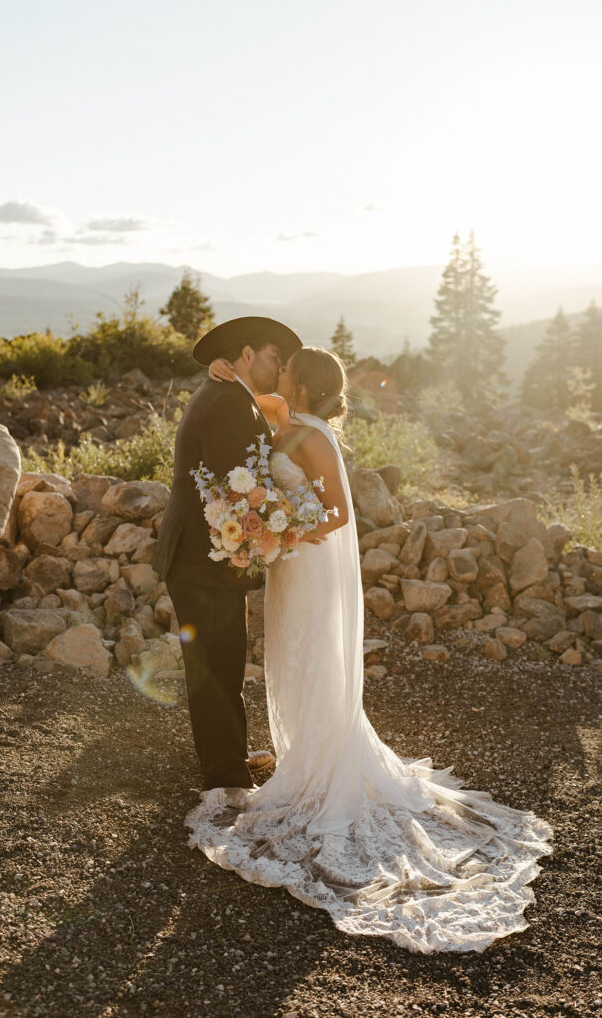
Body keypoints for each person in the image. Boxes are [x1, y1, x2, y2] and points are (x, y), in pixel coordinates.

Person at [184, 345, 553, 954]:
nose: (280, 374)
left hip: (307, 559)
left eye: (288, 369)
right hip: (289, 566)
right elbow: (256, 398)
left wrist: (278, 529)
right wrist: (222, 371)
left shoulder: (315, 437)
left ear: (302, 381)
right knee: (292, 657)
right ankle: (301, 750)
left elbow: (332, 511)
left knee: (315, 659)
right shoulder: (292, 421)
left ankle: (323, 764)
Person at [154, 316, 302, 791]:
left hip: (213, 555)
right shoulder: (225, 402)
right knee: (212, 667)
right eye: (274, 357)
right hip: (204, 557)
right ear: (246, 355)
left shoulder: (232, 395)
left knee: (225, 660)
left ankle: (230, 755)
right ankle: (224, 775)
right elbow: (235, 487)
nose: (278, 367)